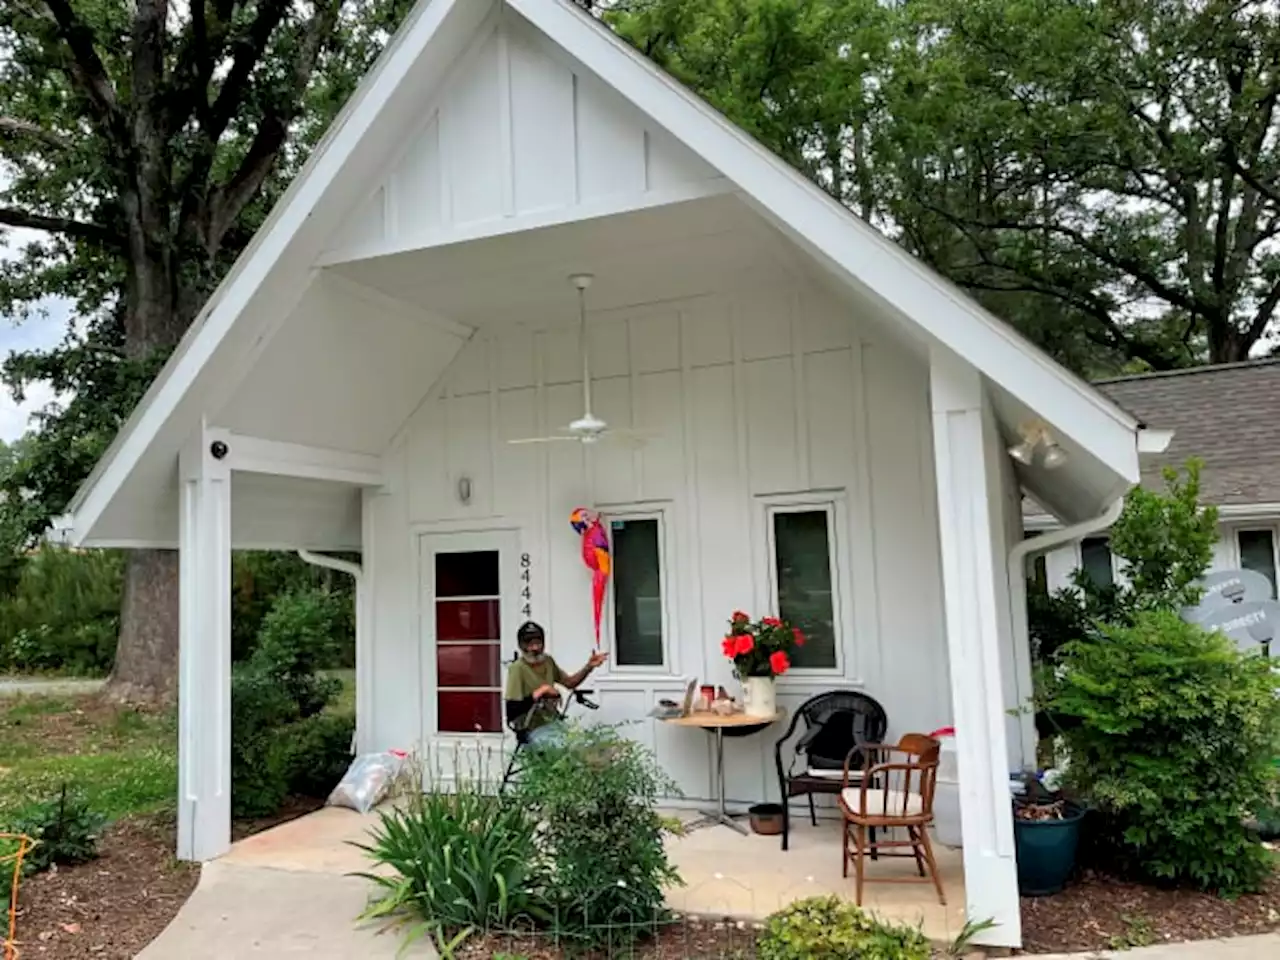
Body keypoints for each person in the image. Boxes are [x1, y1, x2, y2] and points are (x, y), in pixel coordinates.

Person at [504, 620, 607, 748]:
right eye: (529, 644)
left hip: (552, 722)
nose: (534, 648)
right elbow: (512, 710)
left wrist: (589, 667)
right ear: (521, 646)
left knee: (585, 743)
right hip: (531, 729)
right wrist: (541, 691)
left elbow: (570, 683)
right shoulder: (517, 668)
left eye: (537, 643)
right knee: (567, 748)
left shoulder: (547, 661)